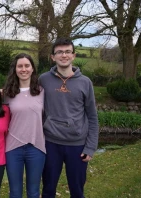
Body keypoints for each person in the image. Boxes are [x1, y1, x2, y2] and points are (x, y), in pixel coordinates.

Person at [39, 38, 99, 198]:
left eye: (67, 52)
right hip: (50, 143)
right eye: (59, 52)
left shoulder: (85, 83)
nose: (63, 55)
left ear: (73, 55)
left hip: (77, 145)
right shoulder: (43, 80)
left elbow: (92, 117)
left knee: (77, 191)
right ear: (53, 57)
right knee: (48, 189)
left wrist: (90, 147)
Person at [3, 53, 46, 198]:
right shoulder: (7, 93)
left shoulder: (42, 92)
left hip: (37, 147)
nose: (23, 69)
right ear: (15, 69)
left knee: (33, 192)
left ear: (32, 68)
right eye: (20, 66)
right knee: (15, 192)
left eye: (27, 65)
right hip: (13, 148)